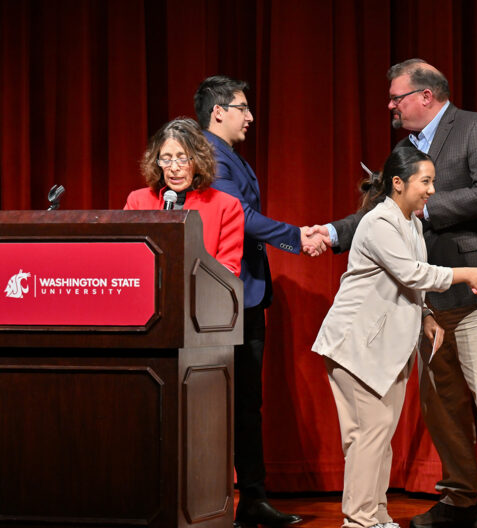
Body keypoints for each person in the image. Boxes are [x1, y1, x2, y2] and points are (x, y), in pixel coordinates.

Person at [308, 59, 477, 528]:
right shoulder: (404, 150)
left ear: (425, 96)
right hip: (428, 302)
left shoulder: (476, 128)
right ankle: (460, 498)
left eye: (397, 97)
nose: (390, 106)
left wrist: (425, 206)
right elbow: (382, 211)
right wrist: (331, 232)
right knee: (441, 403)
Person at [313, 146, 477, 528]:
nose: (432, 190)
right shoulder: (378, 223)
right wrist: (468, 274)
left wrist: (426, 314)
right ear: (398, 183)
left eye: (433, 181)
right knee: (367, 436)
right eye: (425, 182)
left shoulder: (410, 222)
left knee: (376, 437)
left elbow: (410, 281)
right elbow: (414, 273)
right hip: (357, 346)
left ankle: (375, 515)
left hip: (386, 348)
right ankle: (360, 520)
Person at [194, 76, 322, 527]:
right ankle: (217, 498)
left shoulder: (232, 157)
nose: (250, 117)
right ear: (218, 112)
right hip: (221, 299)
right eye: (242, 108)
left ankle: (252, 498)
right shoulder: (208, 155)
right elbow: (240, 218)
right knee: (223, 403)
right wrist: (297, 237)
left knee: (247, 403)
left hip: (246, 296)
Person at [124, 117, 243, 276]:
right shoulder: (138, 201)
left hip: (201, 290)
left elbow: (228, 270)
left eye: (182, 158)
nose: (174, 167)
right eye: (166, 159)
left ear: (199, 160)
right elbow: (125, 256)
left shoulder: (227, 206)